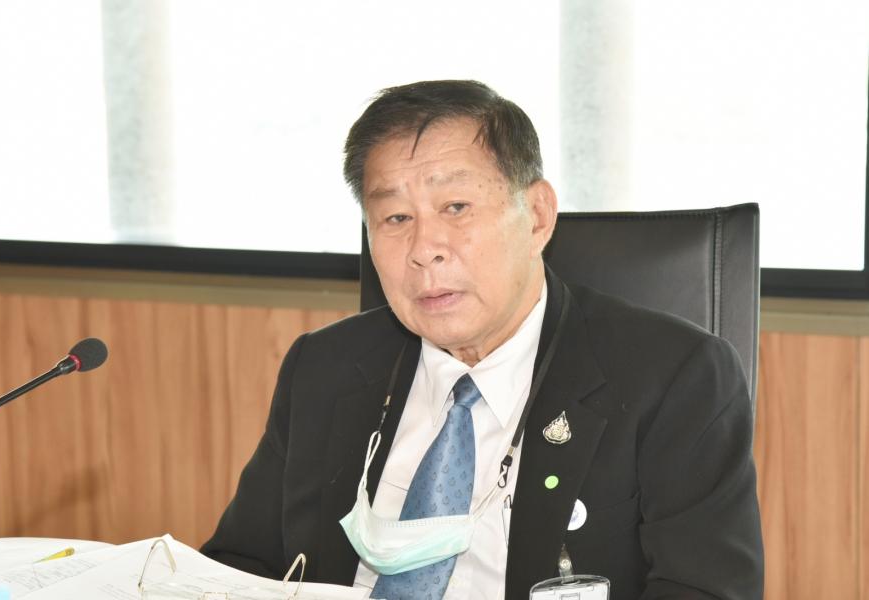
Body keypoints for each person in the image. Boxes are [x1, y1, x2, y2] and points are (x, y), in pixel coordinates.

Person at [201, 80, 763, 599]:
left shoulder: (675, 377)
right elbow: (237, 568)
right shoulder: (324, 368)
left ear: (537, 216)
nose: (425, 249)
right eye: (395, 218)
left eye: (456, 207)